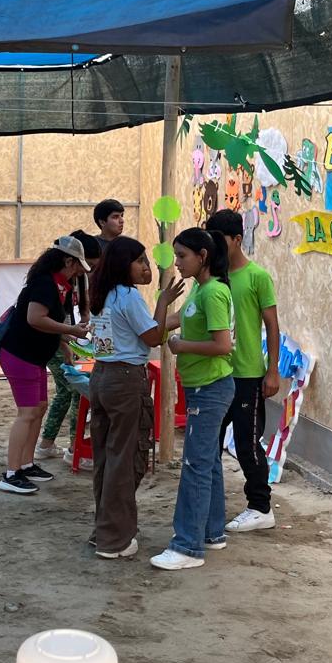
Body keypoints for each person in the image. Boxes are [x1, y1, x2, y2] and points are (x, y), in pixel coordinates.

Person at [86, 236, 183, 560]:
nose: (146, 267)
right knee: (125, 460)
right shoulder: (128, 296)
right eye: (140, 260)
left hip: (102, 376)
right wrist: (164, 301)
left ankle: (104, 530)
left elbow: (145, 329)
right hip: (125, 380)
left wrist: (170, 314)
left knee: (106, 457)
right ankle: (114, 539)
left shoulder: (102, 293)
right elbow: (153, 336)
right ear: (122, 264)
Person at [149, 228, 234, 572]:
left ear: (203, 256)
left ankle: (187, 546)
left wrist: (182, 345)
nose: (177, 263)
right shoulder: (199, 289)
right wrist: (162, 303)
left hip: (210, 388)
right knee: (208, 461)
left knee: (195, 465)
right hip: (202, 386)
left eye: (182, 256)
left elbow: (223, 345)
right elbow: (165, 326)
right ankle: (212, 532)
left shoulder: (213, 292)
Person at [0, 236, 93, 495]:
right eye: (77, 266)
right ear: (68, 261)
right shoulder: (45, 284)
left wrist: (64, 344)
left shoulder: (57, 285)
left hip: (33, 357)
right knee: (27, 413)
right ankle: (11, 473)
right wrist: (70, 330)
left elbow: (46, 322)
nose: (79, 273)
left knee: (38, 408)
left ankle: (26, 464)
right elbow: (35, 318)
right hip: (21, 355)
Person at [206, 209, 282, 534]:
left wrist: (272, 371)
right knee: (209, 439)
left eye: (219, 240)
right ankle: (210, 500)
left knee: (247, 443)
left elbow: (272, 325)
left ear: (237, 239)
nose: (213, 246)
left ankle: (261, 507)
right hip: (217, 373)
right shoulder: (214, 277)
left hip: (248, 375)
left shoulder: (256, 277)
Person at [37, 229, 102, 462]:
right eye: (87, 265)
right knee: (72, 389)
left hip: (66, 338)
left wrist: (84, 325)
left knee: (69, 390)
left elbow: (82, 309)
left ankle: (49, 445)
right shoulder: (52, 281)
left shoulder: (78, 277)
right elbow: (51, 320)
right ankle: (74, 448)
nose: (88, 271)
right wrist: (67, 344)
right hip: (54, 339)